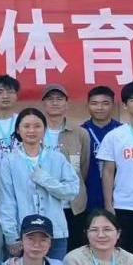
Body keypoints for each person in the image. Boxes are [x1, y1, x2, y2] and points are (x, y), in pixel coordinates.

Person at [0, 108, 79, 263]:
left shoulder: (57, 158)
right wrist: (11, 236)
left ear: (44, 129)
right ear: (18, 130)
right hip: (23, 234)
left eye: (37, 126)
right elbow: (6, 201)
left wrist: (45, 180)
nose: (32, 130)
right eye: (26, 126)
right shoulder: (9, 161)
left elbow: (72, 191)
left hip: (55, 232)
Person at [40, 84, 90, 251]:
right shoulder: (35, 131)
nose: (55, 103)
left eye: (59, 99)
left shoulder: (80, 133)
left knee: (72, 253)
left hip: (72, 206)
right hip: (43, 204)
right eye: (50, 99)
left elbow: (83, 168)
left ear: (67, 103)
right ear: (43, 103)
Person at [99, 80, 133, 257]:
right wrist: (108, 205)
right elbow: (108, 171)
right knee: (123, 258)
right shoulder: (115, 136)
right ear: (125, 105)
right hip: (125, 206)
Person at [81, 86, 120, 216]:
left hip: (119, 200)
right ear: (87, 105)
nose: (100, 108)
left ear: (113, 105)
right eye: (94, 103)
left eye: (105, 103)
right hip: (87, 198)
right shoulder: (80, 132)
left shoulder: (122, 132)